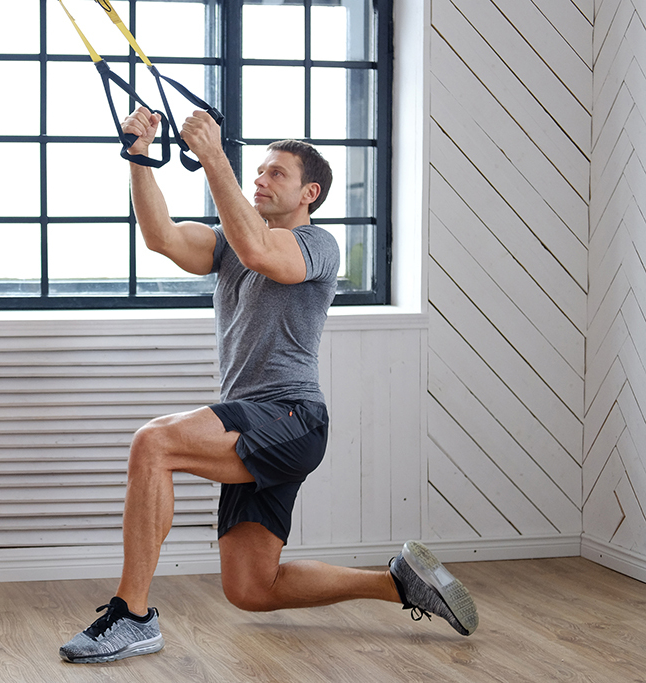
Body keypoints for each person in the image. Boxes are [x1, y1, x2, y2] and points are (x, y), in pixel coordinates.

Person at [59, 107, 479, 664]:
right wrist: (139, 157)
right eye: (257, 170)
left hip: (290, 417)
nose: (260, 178)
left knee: (153, 443)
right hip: (256, 421)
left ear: (310, 192)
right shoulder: (228, 244)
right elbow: (161, 236)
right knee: (252, 588)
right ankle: (399, 583)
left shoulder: (318, 246)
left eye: (275, 173)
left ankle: (132, 616)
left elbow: (262, 250)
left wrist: (213, 157)